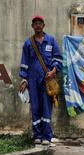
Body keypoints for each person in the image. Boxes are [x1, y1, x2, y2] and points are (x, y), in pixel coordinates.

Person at [18, 15, 62, 146]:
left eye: (40, 23)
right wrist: (24, 79)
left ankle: (47, 137)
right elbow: (24, 62)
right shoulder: (28, 43)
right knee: (35, 107)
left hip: (47, 81)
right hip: (32, 80)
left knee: (47, 108)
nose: (38, 25)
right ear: (32, 26)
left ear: (43, 25)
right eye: (35, 23)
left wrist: (54, 71)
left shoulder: (51, 41)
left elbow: (58, 58)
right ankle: (37, 135)